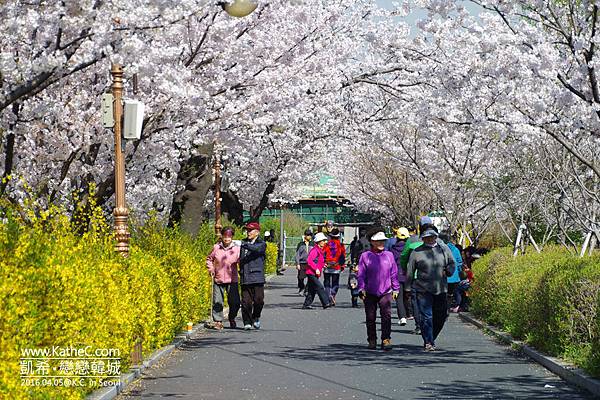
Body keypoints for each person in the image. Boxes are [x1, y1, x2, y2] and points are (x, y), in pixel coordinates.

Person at [406, 226, 456, 351]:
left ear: (435, 237)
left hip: (441, 288)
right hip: (423, 288)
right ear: (423, 239)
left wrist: (449, 271)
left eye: (432, 237)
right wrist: (407, 288)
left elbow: (452, 263)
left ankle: (431, 337)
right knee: (426, 316)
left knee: (441, 316)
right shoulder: (416, 252)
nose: (430, 239)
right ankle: (428, 341)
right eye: (427, 238)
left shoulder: (443, 249)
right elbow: (410, 272)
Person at [357, 228, 400, 351]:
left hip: (386, 291)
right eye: (378, 241)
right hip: (370, 291)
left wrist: (396, 288)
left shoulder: (389, 255)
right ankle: (372, 339)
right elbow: (361, 274)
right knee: (370, 317)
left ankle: (386, 339)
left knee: (386, 316)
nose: (381, 243)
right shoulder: (365, 256)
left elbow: (394, 273)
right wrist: (361, 288)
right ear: (372, 242)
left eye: (383, 241)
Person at [206, 226, 241, 330]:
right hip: (218, 278)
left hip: (232, 279)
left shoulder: (237, 249)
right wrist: (211, 269)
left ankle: (232, 318)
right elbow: (209, 259)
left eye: (229, 236)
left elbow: (241, 261)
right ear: (222, 236)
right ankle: (218, 321)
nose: (227, 239)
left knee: (235, 302)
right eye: (225, 236)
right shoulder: (216, 247)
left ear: (232, 237)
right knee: (217, 301)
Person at [239, 222, 267, 330]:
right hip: (245, 276)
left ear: (257, 232)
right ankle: (247, 321)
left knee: (259, 300)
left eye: (250, 230)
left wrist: (242, 244)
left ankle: (256, 317)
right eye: (247, 230)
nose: (248, 232)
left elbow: (256, 249)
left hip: (257, 276)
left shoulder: (262, 243)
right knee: (246, 302)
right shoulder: (243, 242)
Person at [302, 232, 333, 309]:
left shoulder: (319, 250)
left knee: (312, 289)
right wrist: (316, 269)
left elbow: (318, 261)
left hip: (314, 272)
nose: (324, 242)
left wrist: (323, 265)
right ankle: (326, 303)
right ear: (319, 242)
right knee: (320, 287)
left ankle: (306, 304)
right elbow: (309, 260)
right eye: (323, 240)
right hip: (311, 272)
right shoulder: (315, 250)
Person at [388, 227, 410, 326]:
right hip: (408, 275)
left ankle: (402, 317)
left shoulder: (392, 250)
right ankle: (409, 313)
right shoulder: (410, 249)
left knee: (399, 297)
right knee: (408, 296)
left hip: (396, 275)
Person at [439, 233, 463, 309]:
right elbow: (459, 262)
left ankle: (444, 308)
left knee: (443, 293)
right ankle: (448, 308)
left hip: (443, 276)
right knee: (451, 293)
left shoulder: (440, 249)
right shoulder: (455, 249)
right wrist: (459, 272)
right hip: (454, 276)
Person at [323, 228, 346, 305]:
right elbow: (343, 256)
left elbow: (323, 254)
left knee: (326, 283)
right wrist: (342, 265)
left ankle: (328, 297)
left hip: (327, 265)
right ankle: (332, 294)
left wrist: (323, 263)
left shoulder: (327, 244)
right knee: (335, 283)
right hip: (336, 266)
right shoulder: (340, 245)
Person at [295, 229, 313, 296]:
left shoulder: (313, 244)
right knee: (300, 277)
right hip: (302, 262)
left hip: (311, 264)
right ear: (305, 235)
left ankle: (307, 290)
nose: (308, 236)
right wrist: (297, 263)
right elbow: (297, 254)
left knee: (311, 278)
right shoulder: (300, 244)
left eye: (309, 235)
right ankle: (301, 287)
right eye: (307, 235)